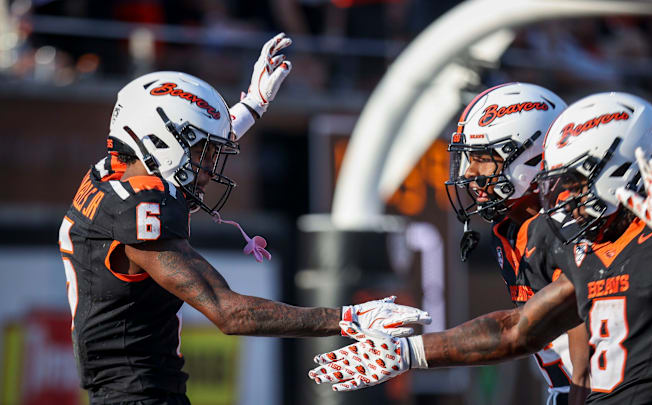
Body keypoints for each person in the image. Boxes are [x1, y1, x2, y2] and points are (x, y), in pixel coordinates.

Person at [58, 33, 431, 405]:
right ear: (159, 142)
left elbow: (171, 147)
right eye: (201, 153)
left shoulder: (112, 174)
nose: (206, 170)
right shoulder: (138, 207)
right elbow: (228, 312)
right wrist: (349, 318)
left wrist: (252, 105)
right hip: (137, 397)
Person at [308, 92, 652, 404]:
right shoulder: (590, 240)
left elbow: (537, 340)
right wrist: (408, 351)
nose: (561, 201)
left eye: (572, 183)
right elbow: (521, 329)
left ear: (621, 166)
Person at [443, 82, 587, 404]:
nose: (469, 172)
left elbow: (569, 324)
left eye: (482, 158)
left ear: (533, 158)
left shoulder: (564, 228)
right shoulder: (510, 230)